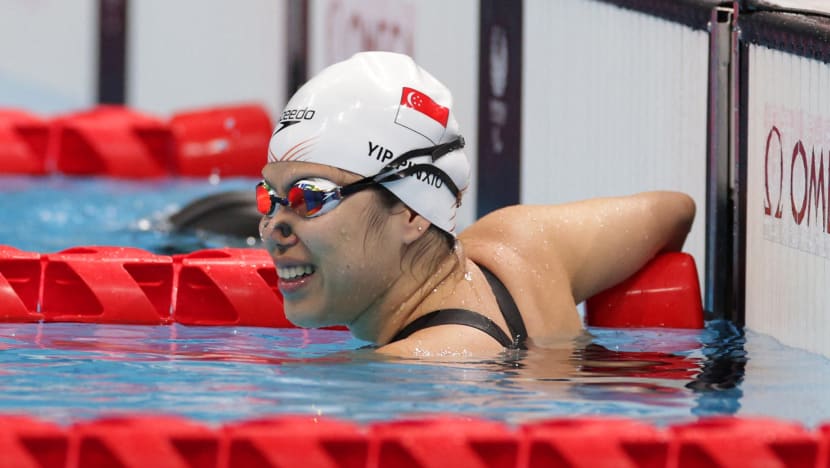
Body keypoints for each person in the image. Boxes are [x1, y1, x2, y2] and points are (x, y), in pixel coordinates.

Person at [258, 52, 695, 357]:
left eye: (308, 198)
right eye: (271, 198)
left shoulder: (418, 372)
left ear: (412, 212)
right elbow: (674, 209)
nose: (273, 226)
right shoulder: (523, 246)